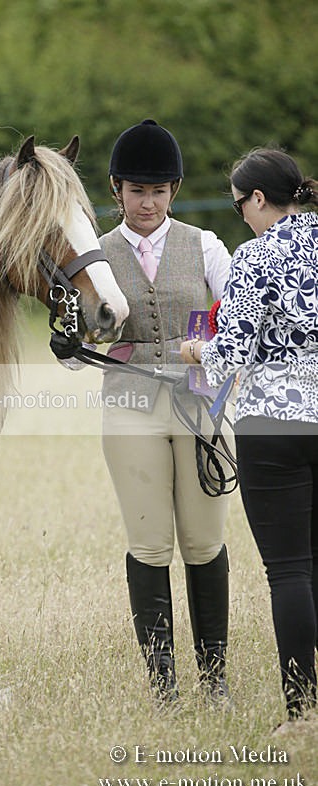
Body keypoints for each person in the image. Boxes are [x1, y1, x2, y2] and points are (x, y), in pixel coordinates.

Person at [181, 147, 318, 728]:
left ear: (258, 198)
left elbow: (229, 356)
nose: (241, 216)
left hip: (273, 424)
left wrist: (195, 351)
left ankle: (302, 712)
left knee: (290, 571)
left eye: (240, 206)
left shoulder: (255, 257)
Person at [98, 119, 232, 705]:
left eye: (157, 191)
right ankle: (164, 688)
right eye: (136, 191)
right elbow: (86, 345)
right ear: (116, 190)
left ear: (173, 191)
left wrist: (209, 353)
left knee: (203, 541)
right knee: (149, 544)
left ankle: (215, 679)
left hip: (199, 404)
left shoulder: (205, 246)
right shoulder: (96, 257)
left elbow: (235, 318)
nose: (146, 202)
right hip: (130, 408)